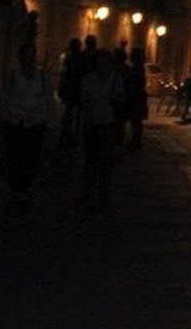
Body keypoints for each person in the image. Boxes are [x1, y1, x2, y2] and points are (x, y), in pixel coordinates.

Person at [0, 43, 52, 205]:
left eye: (31, 55)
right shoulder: (14, 76)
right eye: (25, 56)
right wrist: (4, 116)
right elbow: (4, 97)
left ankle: (26, 184)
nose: (28, 59)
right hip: (15, 121)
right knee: (14, 154)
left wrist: (49, 120)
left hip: (35, 122)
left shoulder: (42, 77)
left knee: (32, 155)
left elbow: (48, 99)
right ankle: (15, 185)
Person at [77, 46, 123, 213]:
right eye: (99, 62)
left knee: (105, 162)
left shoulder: (115, 80)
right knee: (90, 161)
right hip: (92, 124)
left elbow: (120, 101)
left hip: (108, 124)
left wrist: (114, 100)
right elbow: (84, 100)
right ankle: (87, 193)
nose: (102, 65)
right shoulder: (89, 80)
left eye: (104, 62)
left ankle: (102, 195)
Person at [57, 37, 83, 146]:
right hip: (76, 88)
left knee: (69, 112)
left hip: (72, 87)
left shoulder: (70, 57)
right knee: (74, 112)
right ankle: (72, 133)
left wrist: (62, 86)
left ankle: (67, 133)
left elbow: (65, 73)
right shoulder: (79, 57)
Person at [120, 47, 147, 151]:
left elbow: (135, 82)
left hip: (135, 97)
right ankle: (136, 140)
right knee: (136, 121)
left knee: (135, 120)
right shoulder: (138, 67)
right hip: (137, 97)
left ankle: (136, 141)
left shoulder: (137, 68)